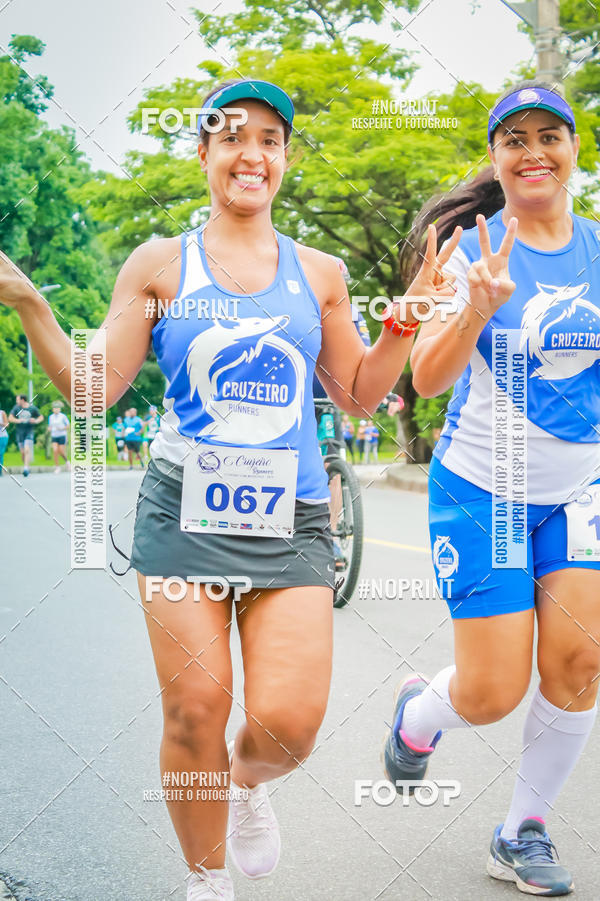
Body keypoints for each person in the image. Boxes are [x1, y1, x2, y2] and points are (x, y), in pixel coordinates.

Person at [0, 78, 458, 901]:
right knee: (194, 713)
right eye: (233, 137)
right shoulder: (158, 264)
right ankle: (206, 881)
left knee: (288, 724)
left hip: (294, 520)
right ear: (204, 151)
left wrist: (405, 319)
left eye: (271, 140)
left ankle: (247, 784)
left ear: (285, 158)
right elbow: (96, 390)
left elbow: (357, 393)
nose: (253, 154)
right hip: (183, 513)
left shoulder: (320, 273)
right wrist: (30, 300)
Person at [383, 82, 600, 896]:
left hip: (582, 486)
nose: (534, 151)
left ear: (575, 149)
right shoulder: (470, 252)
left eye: (551, 135)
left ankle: (523, 830)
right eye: (515, 139)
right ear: (497, 159)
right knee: (493, 689)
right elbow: (427, 376)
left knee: (579, 658)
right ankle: (418, 713)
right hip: (487, 487)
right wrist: (472, 309)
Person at [8, 394, 43, 477]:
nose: (17, 401)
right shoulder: (16, 408)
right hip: (20, 432)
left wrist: (35, 421)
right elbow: (10, 418)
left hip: (29, 431)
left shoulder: (32, 408)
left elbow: (41, 417)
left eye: (17, 400)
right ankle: (26, 466)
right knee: (23, 453)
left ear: (22, 400)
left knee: (27, 449)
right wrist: (19, 420)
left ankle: (26, 469)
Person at [48, 402, 70, 473]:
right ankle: (57, 467)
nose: (56, 410)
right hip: (54, 435)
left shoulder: (63, 416)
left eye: (57, 408)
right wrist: (49, 429)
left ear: (59, 409)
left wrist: (62, 428)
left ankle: (67, 462)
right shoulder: (51, 417)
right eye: (54, 408)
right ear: (53, 409)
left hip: (62, 435)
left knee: (61, 451)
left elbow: (68, 426)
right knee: (55, 450)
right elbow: (50, 426)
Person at [0, 408, 8, 475]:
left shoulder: (2, 413)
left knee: (0, 453)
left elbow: (7, 424)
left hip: (2, 436)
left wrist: (1, 424)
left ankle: (0, 471)